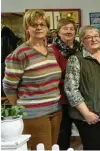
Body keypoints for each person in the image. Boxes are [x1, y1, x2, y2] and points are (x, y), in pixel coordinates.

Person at [2, 9, 62, 150]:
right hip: (34, 114)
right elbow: (9, 86)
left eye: (42, 24)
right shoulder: (19, 54)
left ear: (47, 27)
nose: (39, 27)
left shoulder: (51, 51)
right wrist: (20, 107)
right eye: (34, 25)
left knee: (53, 148)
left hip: (56, 110)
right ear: (27, 27)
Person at [64, 25, 100, 150]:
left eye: (96, 36)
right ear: (82, 41)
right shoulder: (76, 59)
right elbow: (71, 89)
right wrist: (86, 114)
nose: (93, 39)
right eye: (88, 37)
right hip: (89, 117)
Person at [51, 18, 81, 150]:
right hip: (61, 98)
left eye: (71, 29)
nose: (69, 31)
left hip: (79, 96)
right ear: (58, 32)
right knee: (63, 132)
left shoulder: (80, 48)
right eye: (65, 28)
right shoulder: (52, 50)